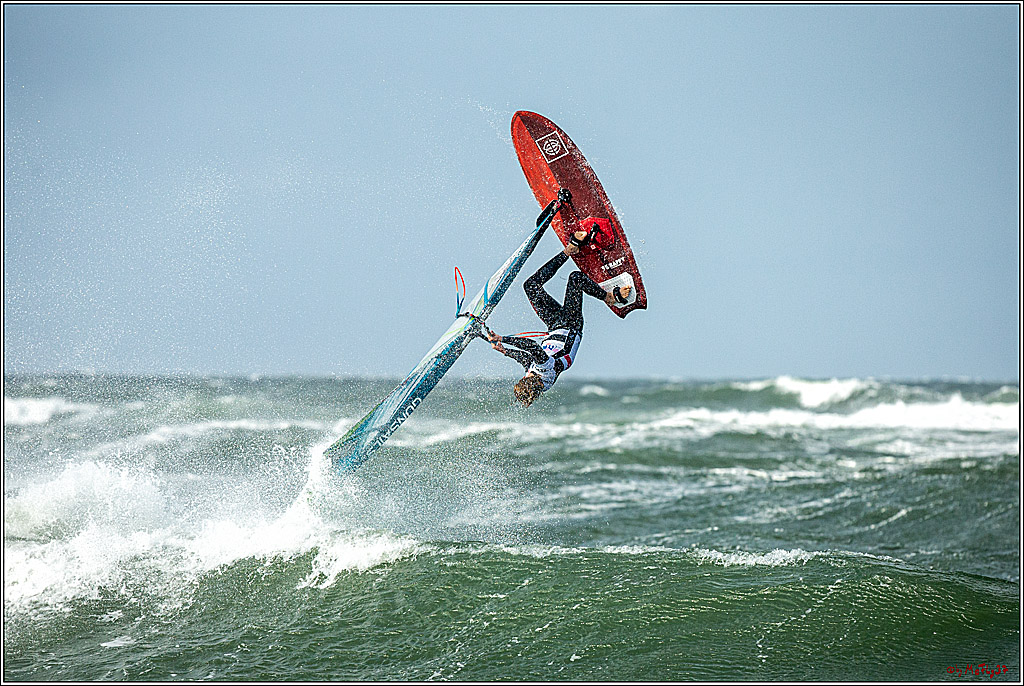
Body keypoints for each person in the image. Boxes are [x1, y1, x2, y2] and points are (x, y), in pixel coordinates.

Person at [487, 230, 631, 407]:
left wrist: (505, 351)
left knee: (531, 286)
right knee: (575, 278)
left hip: (554, 325)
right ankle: (608, 297)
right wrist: (503, 339)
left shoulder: (538, 380)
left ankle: (570, 250)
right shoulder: (546, 369)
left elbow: (526, 360)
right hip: (571, 325)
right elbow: (531, 347)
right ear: (529, 380)